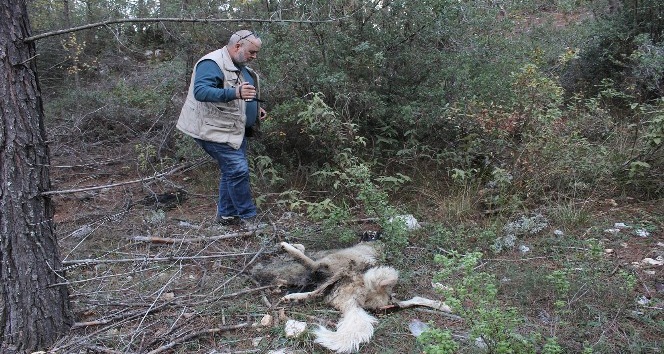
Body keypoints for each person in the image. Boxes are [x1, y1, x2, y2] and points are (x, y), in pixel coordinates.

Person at [176, 30, 266, 228]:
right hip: (213, 130)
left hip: (233, 128)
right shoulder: (211, 63)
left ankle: (226, 216)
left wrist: (254, 109)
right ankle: (249, 218)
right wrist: (235, 93)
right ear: (237, 46)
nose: (254, 56)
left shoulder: (239, 65)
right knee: (237, 170)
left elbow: (242, 94)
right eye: (252, 52)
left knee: (230, 171)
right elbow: (201, 91)